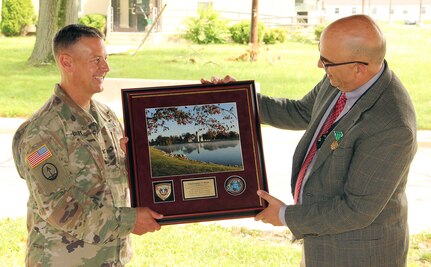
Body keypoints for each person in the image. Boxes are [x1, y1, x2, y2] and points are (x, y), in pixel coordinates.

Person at [205, 14, 417, 266]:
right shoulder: (341, 76)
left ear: (359, 67)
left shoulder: (392, 126)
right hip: (322, 239)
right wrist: (240, 99)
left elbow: (356, 210)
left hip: (358, 253)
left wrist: (285, 215)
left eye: (326, 62)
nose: (319, 65)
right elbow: (301, 112)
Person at [12, 24, 163, 266]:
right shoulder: (41, 132)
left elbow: (114, 177)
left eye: (105, 59)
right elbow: (59, 207)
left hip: (112, 259)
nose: (106, 68)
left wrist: (137, 165)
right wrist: (130, 221)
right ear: (67, 62)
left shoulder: (107, 117)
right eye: (96, 60)